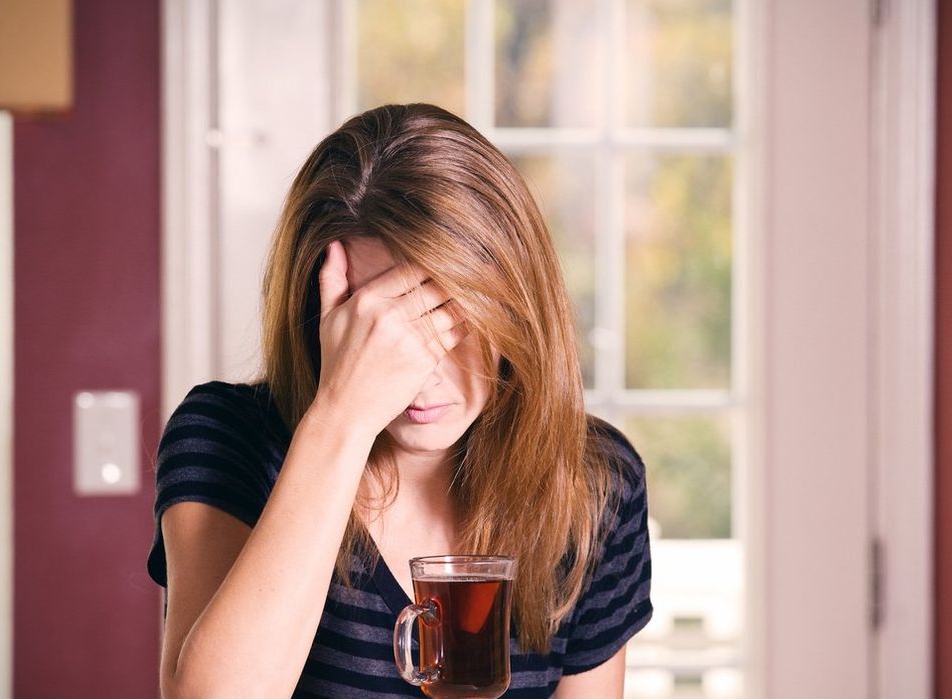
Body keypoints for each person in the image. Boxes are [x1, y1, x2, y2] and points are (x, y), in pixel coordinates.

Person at [146, 103, 652, 698]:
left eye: (443, 315)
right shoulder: (227, 435)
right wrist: (341, 416)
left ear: (512, 301)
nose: (418, 373)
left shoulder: (594, 482)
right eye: (377, 327)